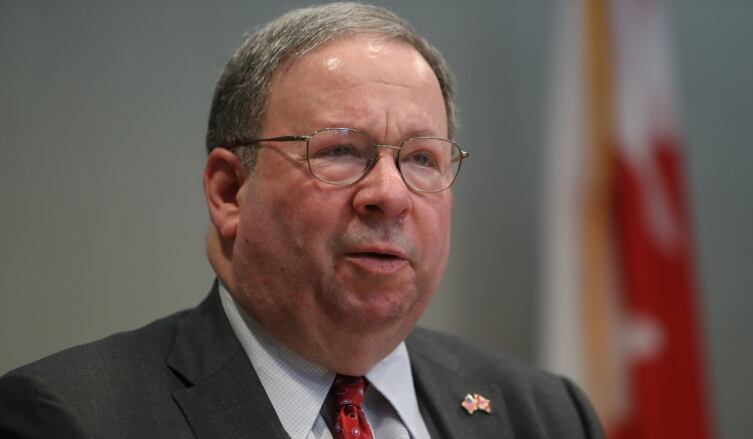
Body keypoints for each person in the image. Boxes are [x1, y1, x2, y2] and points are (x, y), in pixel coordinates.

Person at [0, 3, 604, 438]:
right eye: (340, 150)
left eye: (422, 158)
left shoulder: (545, 415)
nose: (390, 195)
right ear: (230, 190)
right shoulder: (72, 418)